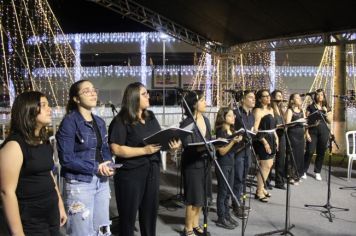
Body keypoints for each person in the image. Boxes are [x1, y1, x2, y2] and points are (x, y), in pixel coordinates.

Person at [108, 82, 179, 236]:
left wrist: (170, 146)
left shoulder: (151, 116)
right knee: (128, 219)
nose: (149, 96)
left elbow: (159, 142)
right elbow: (116, 148)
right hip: (130, 175)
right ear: (133, 97)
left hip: (152, 171)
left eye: (148, 93)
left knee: (149, 215)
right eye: (144, 94)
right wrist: (144, 150)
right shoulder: (121, 120)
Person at [0, 91, 66, 236]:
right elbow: (6, 192)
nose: (50, 109)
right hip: (30, 219)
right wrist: (17, 233)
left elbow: (49, 174)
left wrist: (60, 204)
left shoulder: (43, 141)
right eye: (43, 105)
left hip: (51, 214)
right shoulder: (14, 145)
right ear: (28, 110)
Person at [56, 80, 114, 236]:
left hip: (101, 182)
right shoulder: (69, 122)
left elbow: (104, 149)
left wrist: (109, 164)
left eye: (94, 90)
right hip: (79, 183)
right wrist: (95, 167)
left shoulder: (100, 122)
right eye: (86, 91)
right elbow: (66, 159)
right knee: (81, 232)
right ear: (76, 98)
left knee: (101, 230)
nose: (93, 93)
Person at [180, 90, 211, 236]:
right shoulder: (187, 122)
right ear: (194, 103)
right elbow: (187, 144)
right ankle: (188, 228)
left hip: (205, 163)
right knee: (193, 197)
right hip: (192, 164)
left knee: (201, 196)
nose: (205, 102)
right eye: (203, 100)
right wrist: (204, 146)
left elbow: (209, 139)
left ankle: (195, 224)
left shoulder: (205, 120)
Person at [214, 107, 242, 229]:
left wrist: (241, 141)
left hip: (231, 163)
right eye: (230, 115)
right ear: (223, 117)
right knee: (223, 191)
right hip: (223, 164)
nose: (234, 117)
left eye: (233, 115)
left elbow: (233, 151)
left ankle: (226, 214)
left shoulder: (232, 131)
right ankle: (221, 217)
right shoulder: (220, 131)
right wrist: (233, 142)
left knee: (229, 192)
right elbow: (222, 152)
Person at [232, 90, 255, 218]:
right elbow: (231, 131)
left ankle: (240, 201)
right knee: (238, 178)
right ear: (243, 100)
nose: (253, 99)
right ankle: (236, 205)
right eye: (250, 97)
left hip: (248, 150)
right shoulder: (236, 114)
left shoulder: (251, 115)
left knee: (244, 178)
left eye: (254, 98)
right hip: (238, 151)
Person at [253, 89, 278, 203]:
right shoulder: (257, 111)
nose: (268, 98)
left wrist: (276, 137)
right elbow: (255, 129)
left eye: (269, 96)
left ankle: (262, 188)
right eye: (265, 96)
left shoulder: (271, 109)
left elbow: (273, 127)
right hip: (262, 139)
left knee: (269, 165)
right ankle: (259, 191)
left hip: (272, 137)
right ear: (259, 99)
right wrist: (264, 141)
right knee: (265, 165)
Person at [303, 89, 331, 181]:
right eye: (318, 95)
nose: (320, 97)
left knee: (321, 152)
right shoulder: (310, 107)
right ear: (315, 96)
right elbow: (306, 121)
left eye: (321, 95)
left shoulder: (326, 106)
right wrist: (306, 133)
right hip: (312, 131)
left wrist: (326, 112)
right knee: (310, 151)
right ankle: (304, 170)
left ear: (324, 96)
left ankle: (317, 172)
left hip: (324, 131)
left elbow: (330, 121)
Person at [286, 93, 307, 185]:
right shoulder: (290, 110)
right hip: (292, 134)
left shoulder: (302, 110)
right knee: (292, 155)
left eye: (300, 97)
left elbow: (305, 121)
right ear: (292, 100)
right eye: (297, 98)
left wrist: (305, 124)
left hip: (300, 134)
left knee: (299, 155)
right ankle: (291, 176)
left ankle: (297, 175)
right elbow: (287, 123)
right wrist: (297, 121)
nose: (300, 99)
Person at [271, 90, 287, 189]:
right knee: (271, 159)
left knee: (281, 159)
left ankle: (279, 181)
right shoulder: (271, 109)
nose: (280, 98)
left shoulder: (280, 109)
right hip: (274, 135)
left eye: (281, 96)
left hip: (282, 135)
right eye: (278, 96)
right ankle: (266, 181)